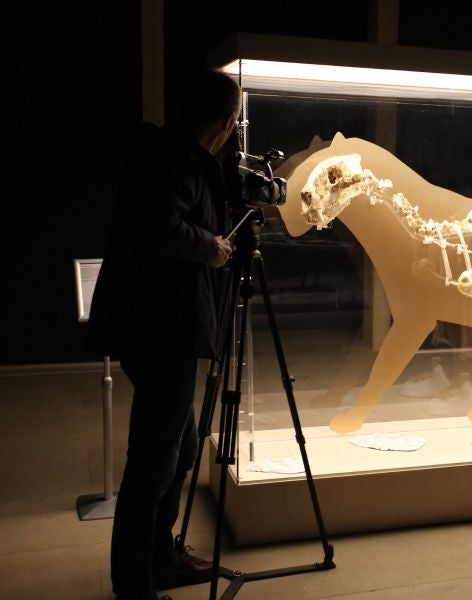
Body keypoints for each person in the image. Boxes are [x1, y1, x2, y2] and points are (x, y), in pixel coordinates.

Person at [87, 68, 240, 600]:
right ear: (224, 122)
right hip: (161, 329)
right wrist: (212, 248)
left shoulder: (168, 155)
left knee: (181, 445)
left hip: (153, 325)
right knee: (153, 459)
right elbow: (156, 227)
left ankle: (160, 556)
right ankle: (134, 583)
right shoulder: (173, 160)